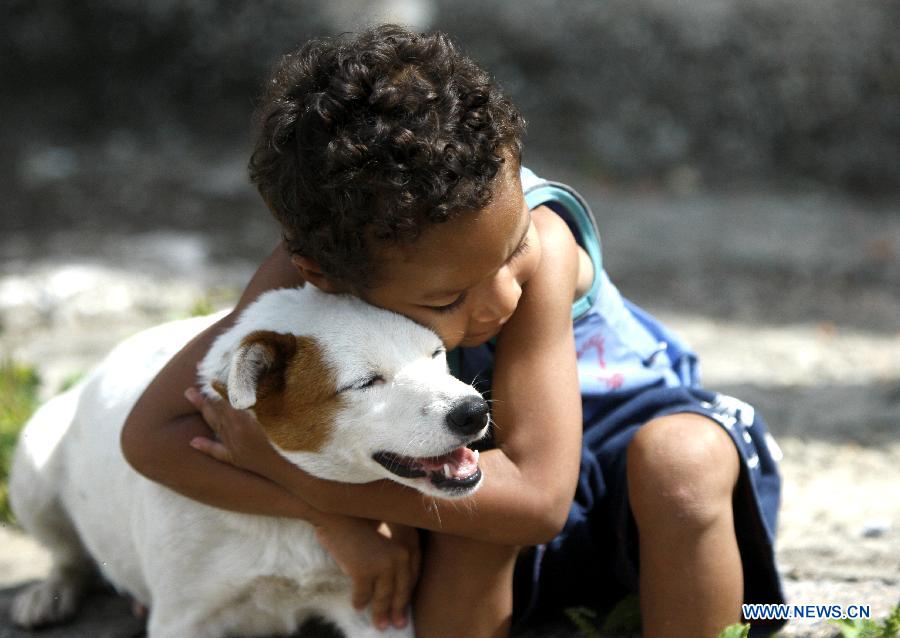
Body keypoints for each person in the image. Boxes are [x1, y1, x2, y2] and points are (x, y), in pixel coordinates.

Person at [120, 24, 785, 638]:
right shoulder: (319, 261)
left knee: (680, 462)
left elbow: (537, 501)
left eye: (510, 247)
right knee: (468, 499)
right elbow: (152, 438)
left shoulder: (543, 249)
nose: (500, 298)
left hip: (635, 496)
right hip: (476, 500)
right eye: (447, 298)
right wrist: (334, 522)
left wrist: (298, 480)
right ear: (324, 276)